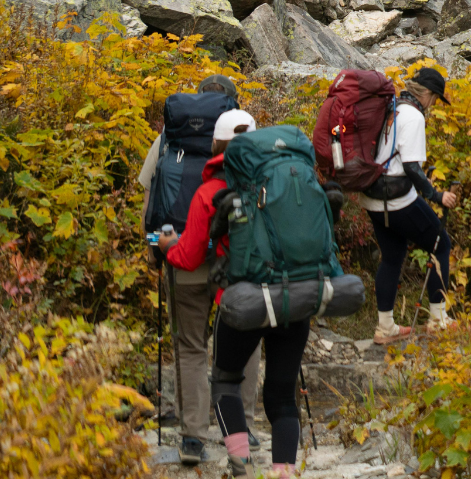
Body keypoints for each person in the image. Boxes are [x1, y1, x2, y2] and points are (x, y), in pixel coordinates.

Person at [163, 110, 334, 479]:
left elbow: (190, 254)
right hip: (295, 298)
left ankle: (240, 462)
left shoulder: (212, 191)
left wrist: (167, 250)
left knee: (225, 378)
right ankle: (283, 471)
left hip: (243, 301)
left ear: (216, 145)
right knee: (282, 394)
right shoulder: (290, 181)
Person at [141, 88, 258, 465]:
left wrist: (156, 250)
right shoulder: (250, 144)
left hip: (184, 260)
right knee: (245, 344)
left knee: (190, 346)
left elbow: (149, 204)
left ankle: (193, 437)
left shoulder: (167, 139)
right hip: (237, 266)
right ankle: (245, 430)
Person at [360, 66, 459, 345]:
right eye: (436, 98)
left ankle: (385, 327)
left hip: (372, 197)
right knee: (441, 244)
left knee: (392, 256)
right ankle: (438, 321)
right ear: (426, 94)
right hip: (396, 199)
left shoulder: (392, 107)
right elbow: (411, 167)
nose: (435, 104)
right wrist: (436, 196)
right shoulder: (414, 116)